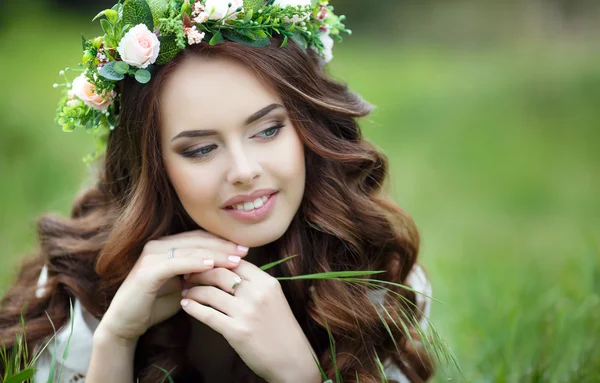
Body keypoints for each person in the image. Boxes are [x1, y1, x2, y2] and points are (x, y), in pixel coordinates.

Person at [0, 0, 434, 382]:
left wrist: (299, 376)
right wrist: (116, 338)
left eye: (267, 130)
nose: (244, 172)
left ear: (307, 129)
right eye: (202, 149)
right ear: (153, 168)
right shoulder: (82, 281)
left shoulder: (373, 277)